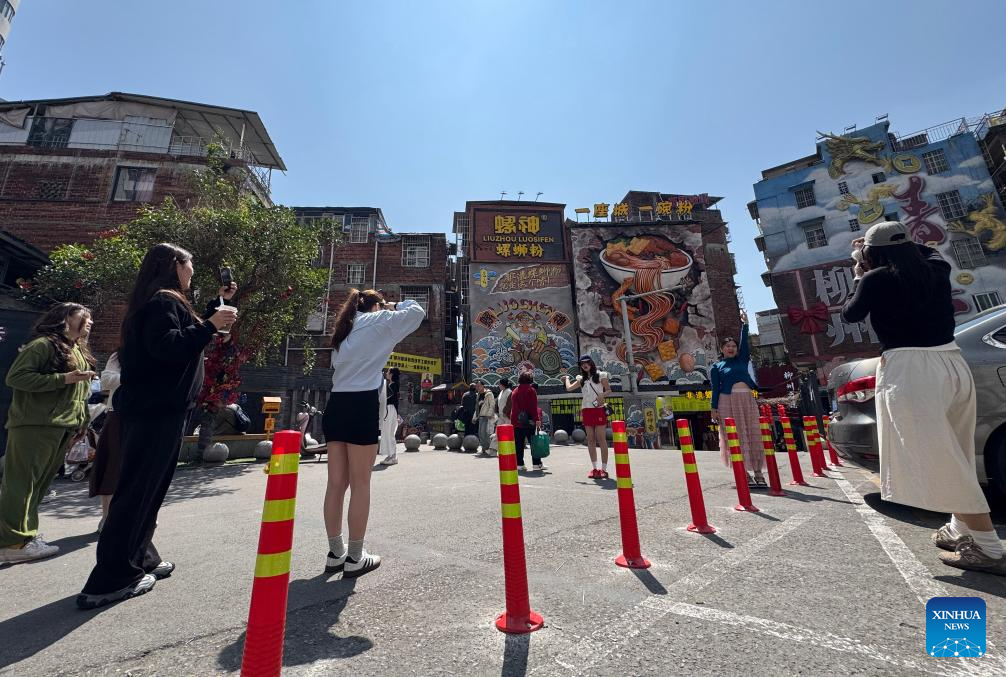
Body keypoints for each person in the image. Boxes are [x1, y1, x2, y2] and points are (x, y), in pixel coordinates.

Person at [77, 243, 237, 609]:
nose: (193, 270)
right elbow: (169, 347)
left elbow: (185, 335)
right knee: (137, 492)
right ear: (173, 265)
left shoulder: (161, 301)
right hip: (155, 410)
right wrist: (211, 325)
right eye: (189, 264)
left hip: (160, 409)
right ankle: (110, 579)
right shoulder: (163, 302)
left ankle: (141, 558)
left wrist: (215, 307)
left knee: (148, 490)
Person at [842, 221, 1005, 575]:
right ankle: (960, 528)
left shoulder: (875, 279)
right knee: (957, 450)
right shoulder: (937, 269)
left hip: (912, 370)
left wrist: (859, 270)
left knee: (938, 456)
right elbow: (927, 252)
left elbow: (850, 313)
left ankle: (989, 547)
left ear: (873, 253)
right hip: (952, 362)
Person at [323, 289, 424, 579]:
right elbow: (416, 312)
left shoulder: (344, 330)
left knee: (335, 485)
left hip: (336, 404)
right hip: (362, 402)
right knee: (361, 484)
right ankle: (355, 557)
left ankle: (335, 553)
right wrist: (394, 304)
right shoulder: (381, 319)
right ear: (376, 305)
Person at [0, 303, 96, 564]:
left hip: (62, 425)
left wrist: (81, 422)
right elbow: (16, 377)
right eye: (83, 317)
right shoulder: (43, 345)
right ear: (65, 319)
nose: (89, 323)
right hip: (36, 424)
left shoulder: (76, 349)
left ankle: (24, 537)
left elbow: (80, 393)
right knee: (22, 484)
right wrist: (62, 379)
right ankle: (12, 542)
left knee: (39, 485)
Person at [710, 311, 764, 487]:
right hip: (727, 402)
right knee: (735, 437)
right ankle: (744, 472)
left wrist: (745, 325)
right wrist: (714, 408)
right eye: (727, 346)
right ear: (722, 349)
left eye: (733, 345)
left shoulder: (742, 359)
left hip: (747, 400)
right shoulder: (717, 367)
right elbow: (715, 388)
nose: (731, 348)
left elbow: (744, 342)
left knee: (752, 434)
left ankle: (758, 472)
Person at [89, 351, 122, 533]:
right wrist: (137, 375)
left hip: (147, 417)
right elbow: (107, 380)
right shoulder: (119, 356)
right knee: (111, 466)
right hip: (118, 413)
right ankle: (107, 517)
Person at [564, 356, 612, 479]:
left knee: (601, 439)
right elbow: (569, 388)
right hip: (586, 410)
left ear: (591, 363)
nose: (584, 365)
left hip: (599, 410)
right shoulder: (581, 379)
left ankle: (604, 469)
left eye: (586, 363)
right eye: (582, 364)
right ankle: (595, 468)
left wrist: (602, 394)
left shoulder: (601, 375)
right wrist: (567, 379)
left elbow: (609, 390)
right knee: (590, 439)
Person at [509, 371, 542, 472]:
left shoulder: (514, 391)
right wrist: (537, 420)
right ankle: (536, 464)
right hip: (530, 422)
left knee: (518, 444)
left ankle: (519, 464)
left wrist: (513, 421)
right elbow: (533, 407)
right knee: (534, 444)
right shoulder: (531, 390)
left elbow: (514, 409)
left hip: (517, 422)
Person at [378, 368, 401, 466]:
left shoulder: (392, 385)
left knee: (388, 433)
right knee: (388, 433)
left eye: (388, 372)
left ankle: (392, 456)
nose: (386, 373)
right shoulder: (393, 385)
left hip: (389, 410)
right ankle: (391, 455)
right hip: (391, 410)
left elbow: (385, 397)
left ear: (391, 374)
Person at [474, 381, 496, 456]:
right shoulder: (478, 395)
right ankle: (485, 448)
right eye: (476, 386)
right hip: (481, 416)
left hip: (486, 416)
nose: (477, 388)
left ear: (483, 386)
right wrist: (475, 417)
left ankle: (487, 448)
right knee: (480, 433)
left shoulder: (489, 394)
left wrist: (489, 414)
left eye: (479, 386)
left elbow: (492, 404)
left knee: (485, 433)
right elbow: (477, 407)